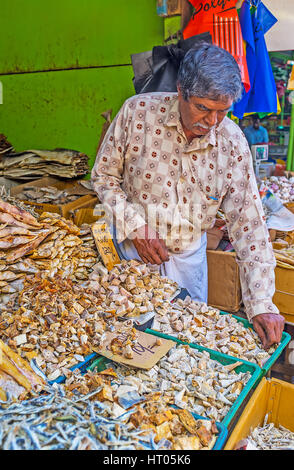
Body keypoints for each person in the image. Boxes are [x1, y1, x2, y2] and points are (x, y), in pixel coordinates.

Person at [91, 43, 284, 350]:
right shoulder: (138, 113)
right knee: (128, 346)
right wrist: (135, 226)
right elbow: (103, 176)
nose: (211, 122)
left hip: (188, 260)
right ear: (180, 91)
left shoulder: (232, 143)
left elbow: (250, 226)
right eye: (203, 108)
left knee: (183, 348)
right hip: (131, 256)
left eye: (222, 111)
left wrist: (262, 303)